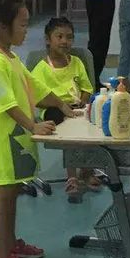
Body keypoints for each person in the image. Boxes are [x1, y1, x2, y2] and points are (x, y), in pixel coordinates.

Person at [0, 0, 73, 258]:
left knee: (13, 192)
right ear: (2, 27)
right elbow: (5, 103)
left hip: (17, 138)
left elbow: (34, 86)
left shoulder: (11, 58)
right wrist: (33, 125)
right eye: (23, 25)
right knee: (4, 196)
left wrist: (63, 105)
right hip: (5, 138)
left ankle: (11, 243)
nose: (27, 30)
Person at [29, 16, 97, 201]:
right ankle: (72, 176)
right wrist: (61, 105)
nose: (64, 41)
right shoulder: (41, 69)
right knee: (69, 129)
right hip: (55, 110)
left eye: (69, 37)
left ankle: (87, 170)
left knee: (94, 118)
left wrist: (83, 102)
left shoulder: (77, 62)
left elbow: (87, 88)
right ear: (48, 39)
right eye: (59, 37)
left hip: (77, 107)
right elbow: (36, 99)